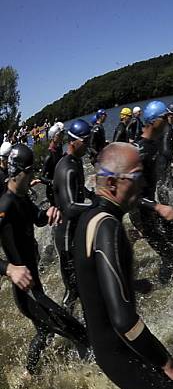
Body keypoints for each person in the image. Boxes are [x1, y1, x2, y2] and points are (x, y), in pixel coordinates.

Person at [72, 142, 173, 389]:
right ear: (112, 183)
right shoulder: (108, 228)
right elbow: (124, 320)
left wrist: (132, 284)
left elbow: (86, 278)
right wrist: (168, 362)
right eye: (138, 178)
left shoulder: (89, 218)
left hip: (109, 345)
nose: (144, 184)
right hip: (118, 350)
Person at [0, 144, 90, 376]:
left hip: (33, 285)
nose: (33, 178)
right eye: (31, 172)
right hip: (27, 291)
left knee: (45, 331)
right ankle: (92, 376)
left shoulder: (20, 198)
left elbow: (37, 218)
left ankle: (28, 374)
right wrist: (9, 269)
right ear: (19, 172)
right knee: (79, 332)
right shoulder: (5, 204)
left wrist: (49, 212)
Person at [131, 101, 173, 283]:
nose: (168, 120)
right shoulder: (140, 151)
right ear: (154, 121)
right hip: (141, 212)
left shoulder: (153, 145)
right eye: (164, 117)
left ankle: (134, 235)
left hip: (150, 208)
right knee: (169, 254)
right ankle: (164, 291)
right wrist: (158, 207)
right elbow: (129, 194)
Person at [51, 119, 94, 310]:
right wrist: (95, 207)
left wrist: (94, 196)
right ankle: (64, 330)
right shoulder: (66, 167)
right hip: (66, 235)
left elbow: (79, 190)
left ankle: (88, 318)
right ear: (73, 142)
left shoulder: (76, 162)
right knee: (72, 290)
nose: (89, 143)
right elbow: (69, 207)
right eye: (86, 140)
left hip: (75, 230)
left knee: (87, 277)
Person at [41, 122, 65, 205]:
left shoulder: (59, 148)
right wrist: (51, 182)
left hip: (60, 185)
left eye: (62, 134)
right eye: (59, 135)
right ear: (53, 137)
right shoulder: (49, 156)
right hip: (52, 191)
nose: (62, 136)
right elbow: (41, 177)